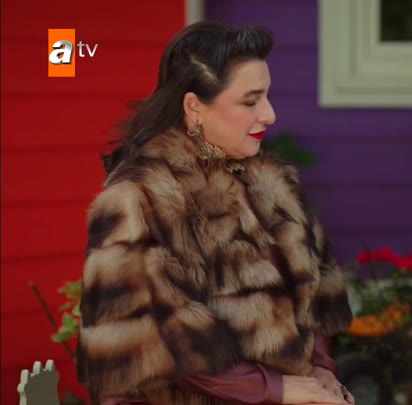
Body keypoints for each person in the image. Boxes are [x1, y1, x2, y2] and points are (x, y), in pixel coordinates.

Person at [76, 21, 355, 405]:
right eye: (251, 101)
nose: (270, 114)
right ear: (195, 108)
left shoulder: (276, 186)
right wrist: (274, 388)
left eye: (267, 97)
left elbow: (318, 293)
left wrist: (319, 369)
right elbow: (160, 337)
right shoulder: (140, 199)